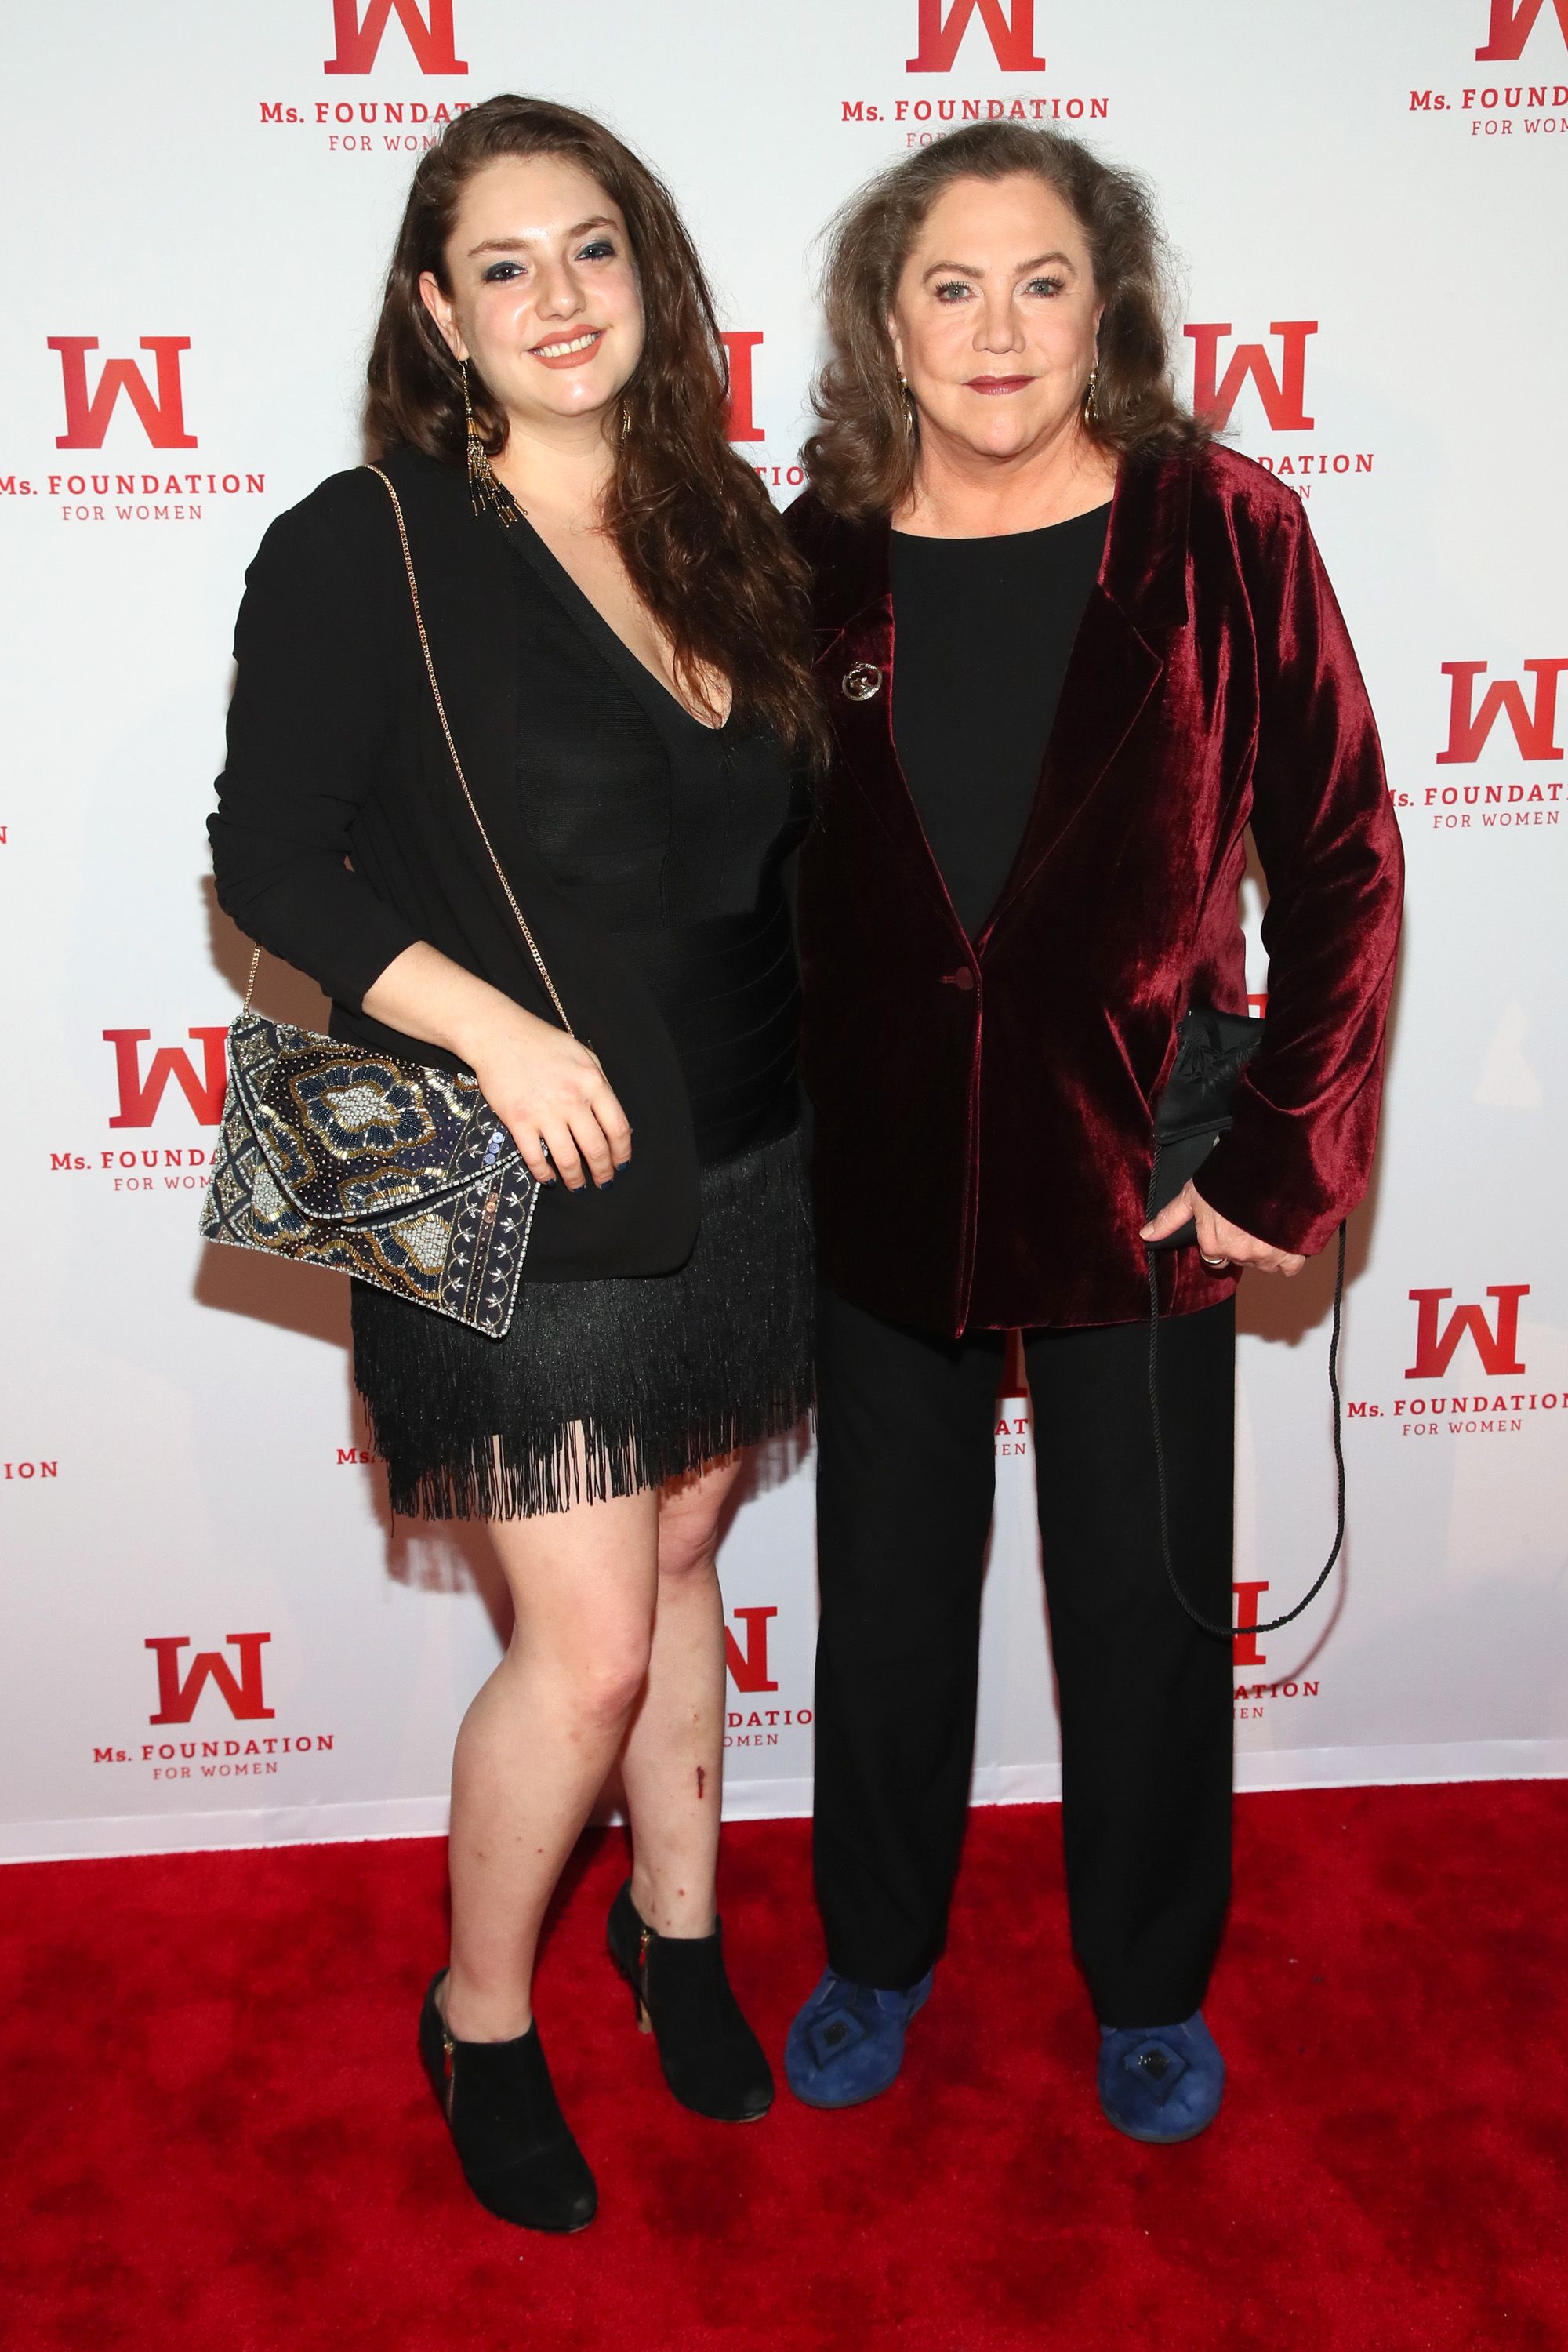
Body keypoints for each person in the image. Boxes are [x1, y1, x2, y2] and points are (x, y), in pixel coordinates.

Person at [209, 96, 822, 2230]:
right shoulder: (364, 542)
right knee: (592, 1650)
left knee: (683, 1568)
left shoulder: (722, 521)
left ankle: (674, 1935)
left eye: (593, 249)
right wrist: (489, 1026)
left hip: (750, 1156)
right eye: (503, 265)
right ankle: (480, 2018)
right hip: (508, 1179)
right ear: (436, 310)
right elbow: (270, 858)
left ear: (651, 274)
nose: (558, 298)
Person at [782, 122, 1403, 2143]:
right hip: (881, 1173)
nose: (999, 329)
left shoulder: (1220, 530)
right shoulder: (818, 554)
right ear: (888, 322)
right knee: (885, 1603)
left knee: (1141, 1611)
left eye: (1042, 282)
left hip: (1144, 1174)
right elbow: (756, 878)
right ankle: (875, 1951)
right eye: (951, 286)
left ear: (1107, 307)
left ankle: (1148, 1986)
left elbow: (1344, 860)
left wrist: (1283, 1155)